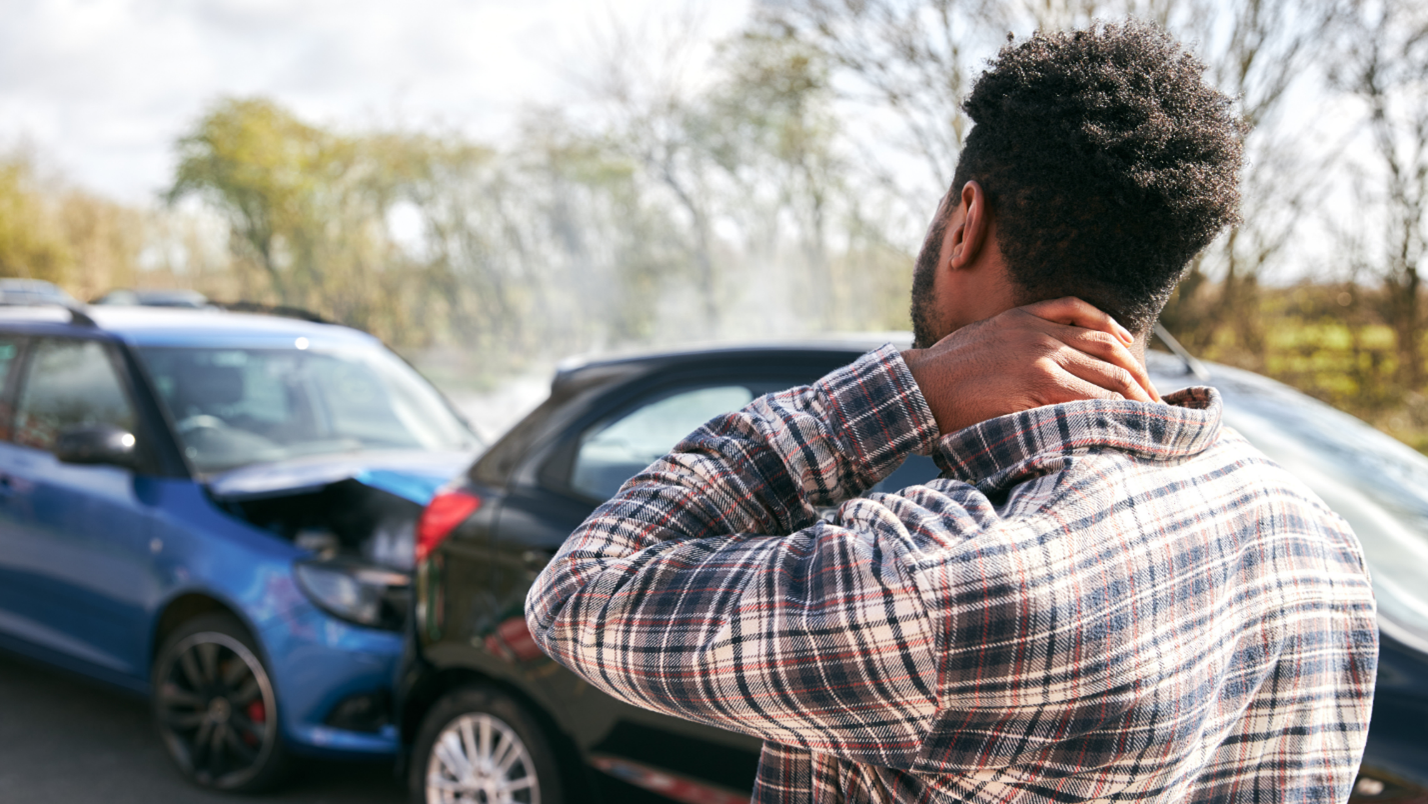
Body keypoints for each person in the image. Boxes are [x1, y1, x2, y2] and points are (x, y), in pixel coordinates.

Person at [526, 21, 1377, 803]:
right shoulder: (1316, 542)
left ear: (966, 221)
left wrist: (913, 389)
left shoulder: (935, 579)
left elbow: (581, 593)